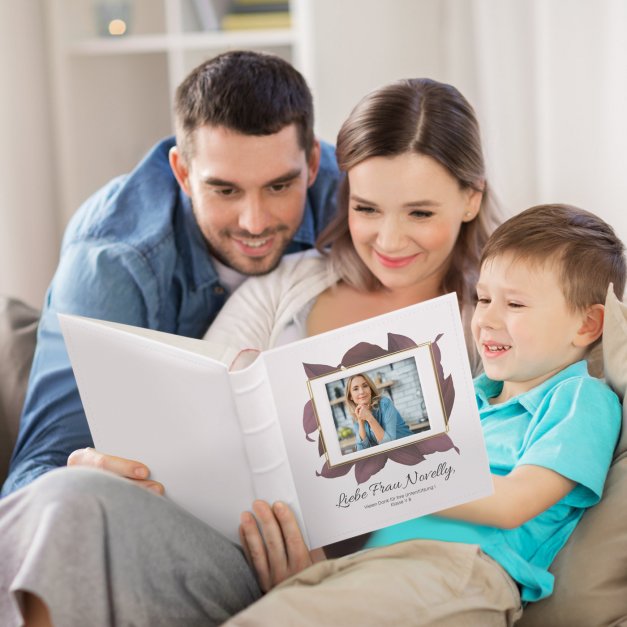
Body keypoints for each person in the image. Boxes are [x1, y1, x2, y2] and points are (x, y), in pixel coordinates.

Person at [0, 77, 500, 626]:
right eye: (367, 209)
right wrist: (112, 465)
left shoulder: (490, 324)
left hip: (356, 582)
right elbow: (193, 401)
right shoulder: (292, 282)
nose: (389, 239)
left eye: (420, 214)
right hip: (215, 547)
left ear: (470, 197)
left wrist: (320, 578)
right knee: (71, 497)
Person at [224, 204, 624, 626]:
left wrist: (399, 471)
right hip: (373, 566)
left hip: (460, 571)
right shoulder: (465, 395)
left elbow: (513, 504)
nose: (486, 318)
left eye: (515, 304)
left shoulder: (581, 398)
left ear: (586, 325)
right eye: (483, 298)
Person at [1, 50, 340, 497]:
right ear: (182, 172)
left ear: (312, 163)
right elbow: (30, 479)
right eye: (224, 190)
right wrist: (79, 483)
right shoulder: (112, 263)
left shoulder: (355, 201)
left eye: (279, 186)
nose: (254, 222)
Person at [344, 373, 412, 450]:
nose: (361, 391)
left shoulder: (385, 404)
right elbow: (362, 451)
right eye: (355, 389)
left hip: (409, 448)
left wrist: (369, 417)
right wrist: (361, 422)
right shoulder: (356, 416)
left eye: (365, 386)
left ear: (370, 389)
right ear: (350, 396)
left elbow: (389, 444)